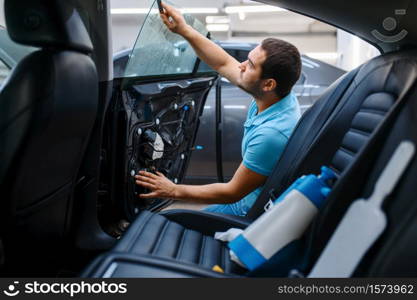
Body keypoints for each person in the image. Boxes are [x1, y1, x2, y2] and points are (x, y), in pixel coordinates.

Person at [135, 2, 301, 216]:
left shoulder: (271, 135)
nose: (241, 65)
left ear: (268, 84)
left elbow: (231, 192)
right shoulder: (277, 98)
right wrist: (183, 29)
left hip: (248, 213)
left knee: (175, 222)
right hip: (246, 200)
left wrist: (173, 190)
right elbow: (223, 63)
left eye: (250, 65)